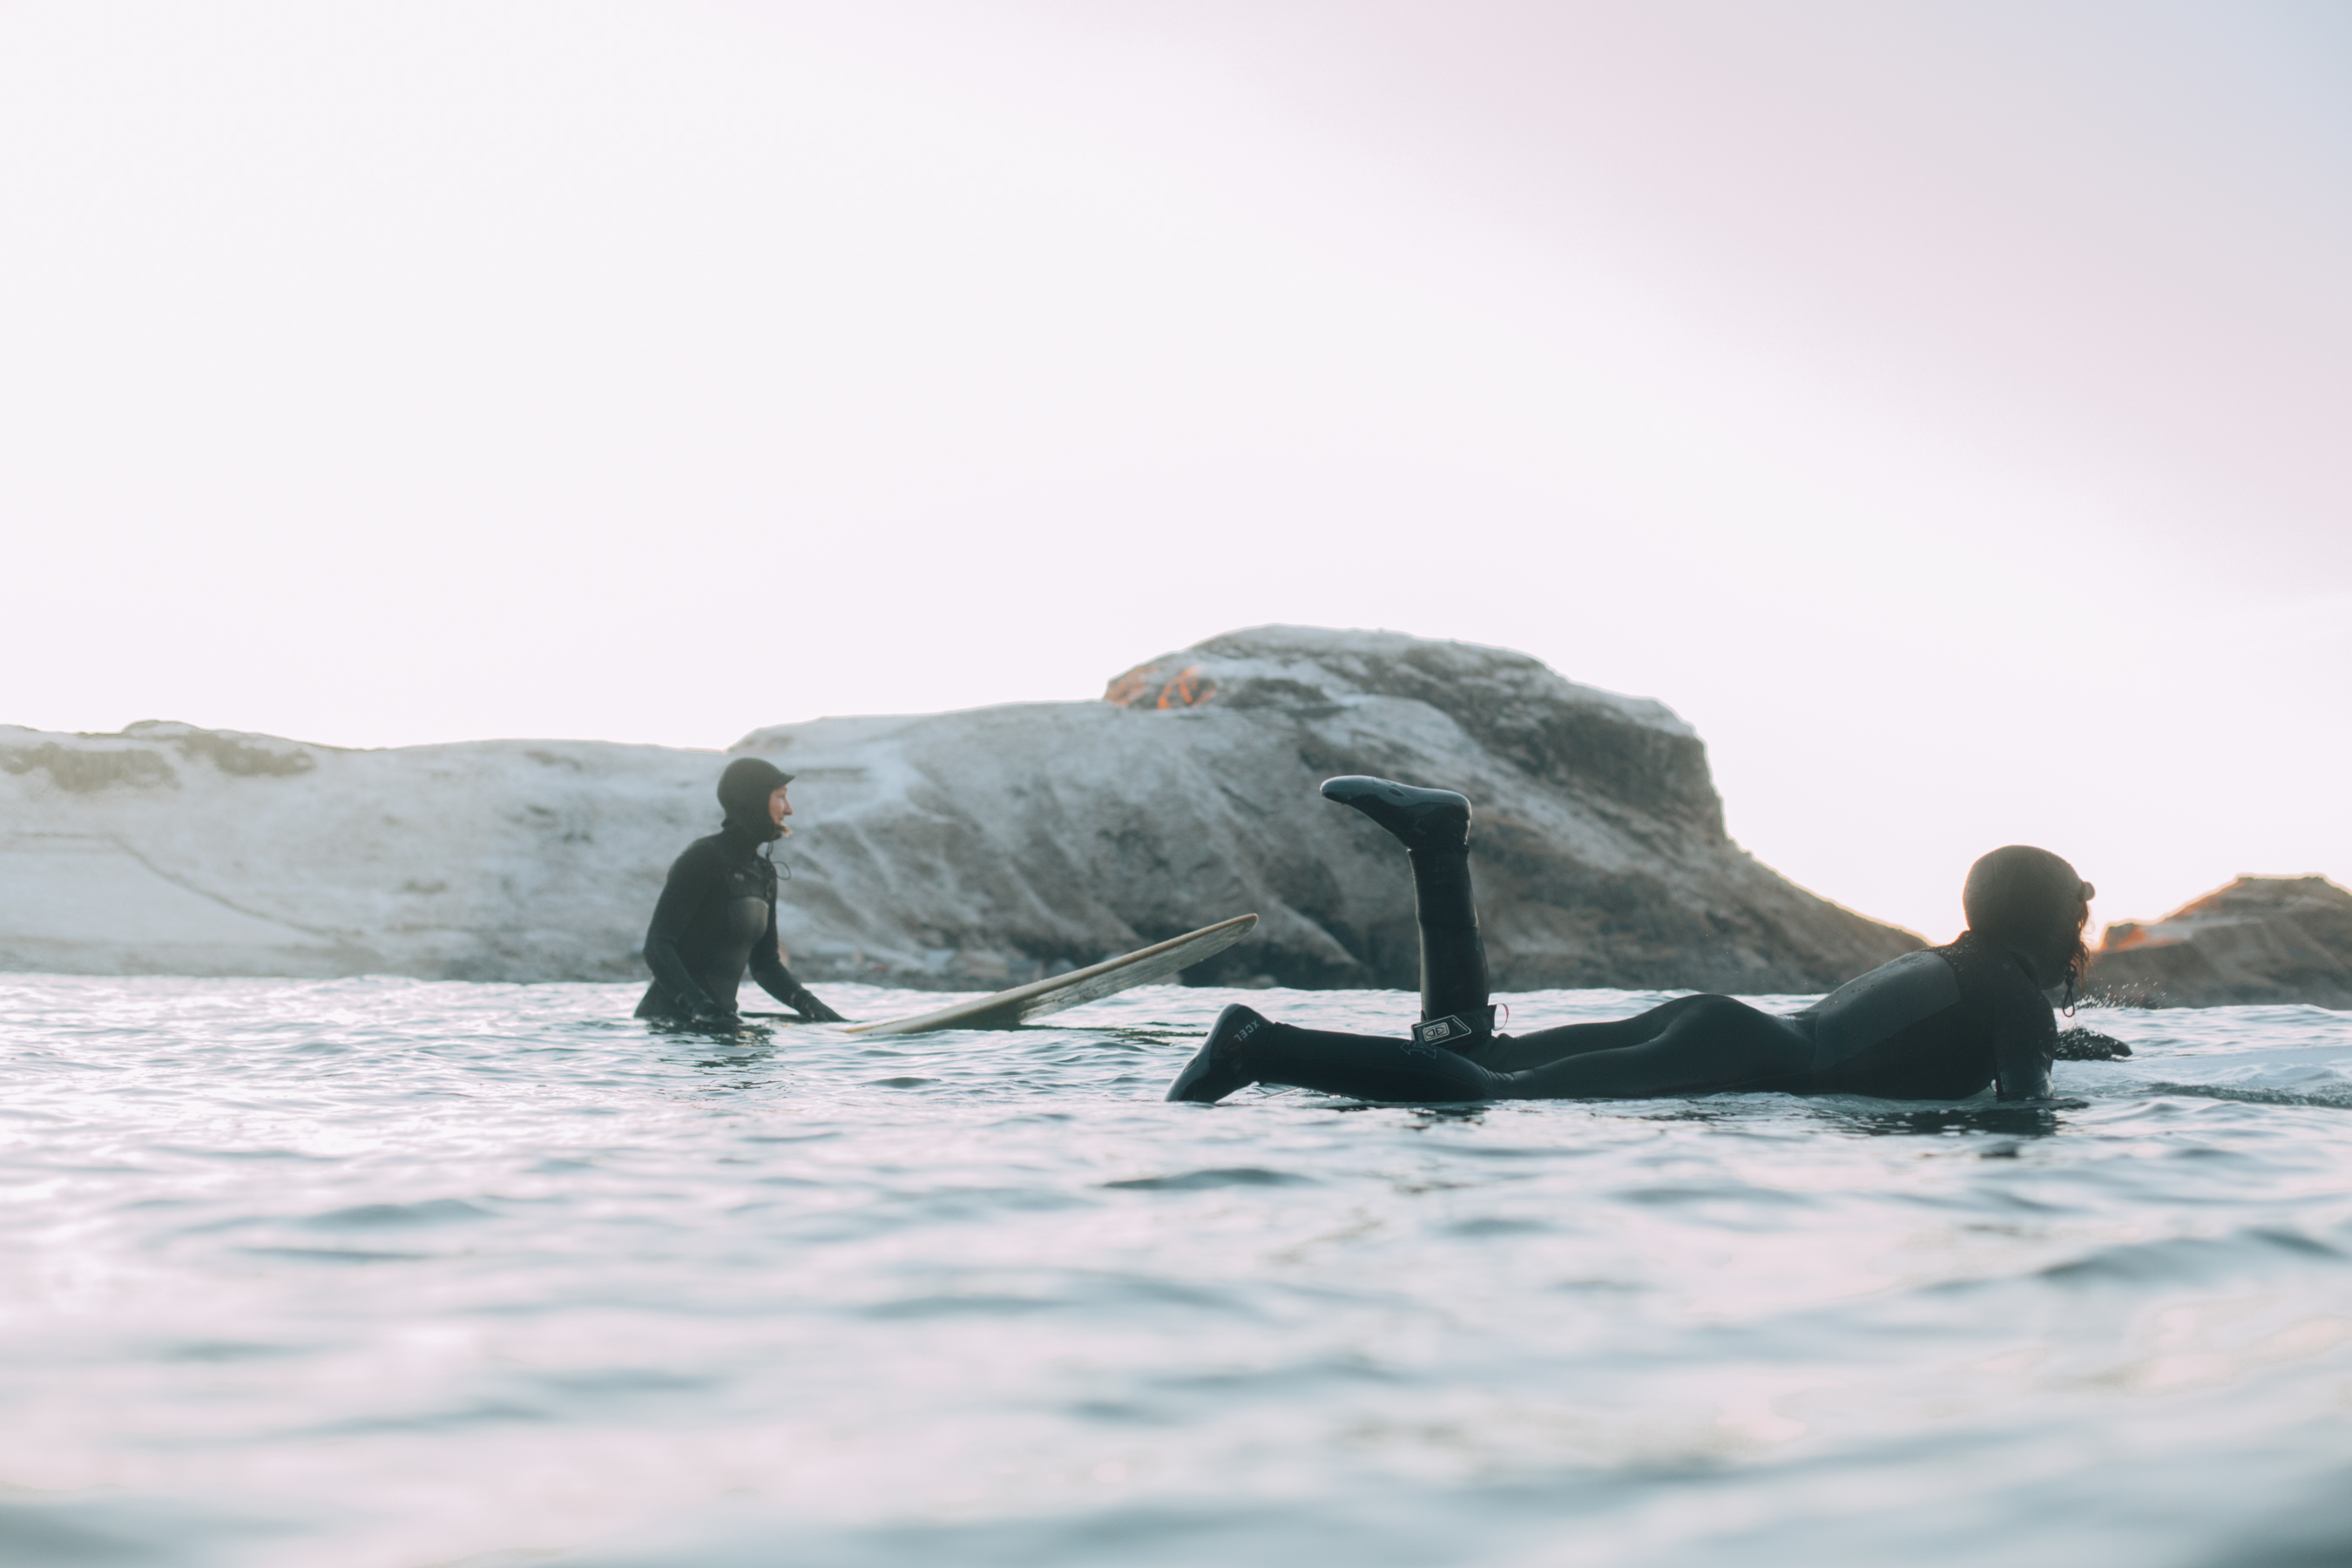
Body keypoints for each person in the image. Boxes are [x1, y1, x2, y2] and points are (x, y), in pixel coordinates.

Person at [1166, 776, 2100, 1105]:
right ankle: (1263, 1047)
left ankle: (1438, 847)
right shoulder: (2014, 997)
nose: (2081, 937)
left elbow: (1944, 1039)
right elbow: (2023, 1115)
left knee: (1479, 1057)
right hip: (1738, 1057)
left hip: (1721, 1027)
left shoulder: (1964, 968)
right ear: (2047, 923)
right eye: (2077, 920)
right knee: (1490, 1091)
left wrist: (2066, 1043)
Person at [635, 757, 845, 1028]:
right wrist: (700, 1007)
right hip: (670, 1030)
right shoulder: (703, 858)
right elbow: (657, 946)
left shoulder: (764, 872)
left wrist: (811, 1005)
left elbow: (765, 964)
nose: (789, 810)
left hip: (721, 1026)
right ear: (754, 799)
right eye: (781, 797)